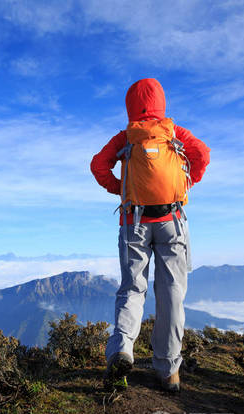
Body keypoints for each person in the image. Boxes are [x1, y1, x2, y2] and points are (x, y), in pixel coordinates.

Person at [90, 78, 210, 392]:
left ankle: (122, 349)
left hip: (134, 221)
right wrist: (187, 185)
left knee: (133, 287)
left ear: (130, 104)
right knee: (172, 293)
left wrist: (120, 189)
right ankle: (168, 370)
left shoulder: (126, 136)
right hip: (172, 220)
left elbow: (98, 165)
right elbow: (202, 155)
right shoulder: (173, 132)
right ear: (161, 102)